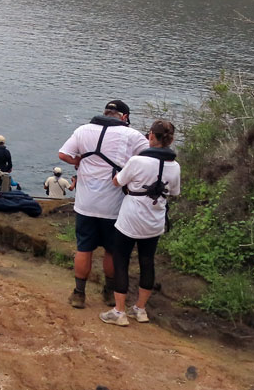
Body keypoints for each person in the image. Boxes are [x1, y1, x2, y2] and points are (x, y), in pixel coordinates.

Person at [58, 100, 148, 309]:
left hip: (85, 203)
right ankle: (108, 293)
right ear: (124, 117)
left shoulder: (83, 130)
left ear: (105, 113)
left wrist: (77, 161)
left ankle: (79, 294)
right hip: (114, 205)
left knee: (84, 248)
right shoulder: (132, 135)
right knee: (112, 250)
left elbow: (63, 154)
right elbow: (148, 160)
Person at [101, 120, 181, 326]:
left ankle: (119, 311)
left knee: (121, 260)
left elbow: (117, 181)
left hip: (131, 218)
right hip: (155, 220)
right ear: (171, 140)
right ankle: (140, 309)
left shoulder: (137, 161)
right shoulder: (175, 166)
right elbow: (174, 192)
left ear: (151, 135)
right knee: (147, 261)